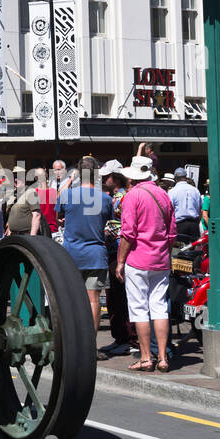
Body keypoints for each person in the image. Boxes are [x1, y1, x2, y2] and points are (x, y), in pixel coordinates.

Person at [116, 154, 177, 372]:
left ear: (133, 176)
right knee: (160, 308)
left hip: (138, 259)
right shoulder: (164, 194)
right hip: (160, 260)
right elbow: (171, 233)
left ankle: (145, 358)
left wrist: (120, 262)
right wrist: (163, 252)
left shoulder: (132, 196)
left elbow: (128, 233)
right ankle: (162, 358)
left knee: (139, 309)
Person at [55, 155, 113, 337]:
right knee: (93, 301)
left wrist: (71, 179)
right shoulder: (105, 198)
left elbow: (58, 213)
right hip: (95, 253)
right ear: (96, 174)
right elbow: (107, 221)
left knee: (72, 300)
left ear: (79, 173)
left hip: (72, 254)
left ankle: (73, 342)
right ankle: (90, 344)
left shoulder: (68, 194)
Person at [98, 160, 132, 359]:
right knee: (113, 297)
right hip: (113, 252)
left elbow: (125, 228)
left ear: (115, 178)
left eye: (106, 176)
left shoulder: (122, 198)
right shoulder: (113, 198)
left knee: (119, 297)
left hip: (119, 253)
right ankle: (121, 337)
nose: (103, 179)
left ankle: (127, 339)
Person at [169, 167, 202, 243]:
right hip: (194, 224)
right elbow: (200, 209)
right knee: (194, 252)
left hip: (179, 225)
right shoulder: (195, 190)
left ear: (175, 178)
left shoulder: (172, 191)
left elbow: (170, 210)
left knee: (179, 251)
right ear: (186, 177)